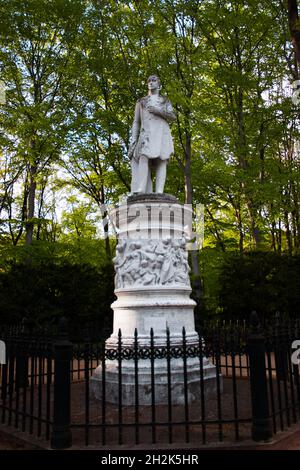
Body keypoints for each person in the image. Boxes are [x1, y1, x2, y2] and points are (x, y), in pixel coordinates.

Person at [128, 75, 176, 193]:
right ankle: (141, 189)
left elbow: (173, 116)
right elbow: (136, 121)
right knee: (143, 157)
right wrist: (133, 139)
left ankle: (159, 191)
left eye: (153, 81)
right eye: (149, 81)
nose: (150, 82)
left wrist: (158, 111)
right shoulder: (141, 101)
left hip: (161, 133)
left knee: (162, 159)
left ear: (159, 85)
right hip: (147, 133)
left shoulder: (165, 101)